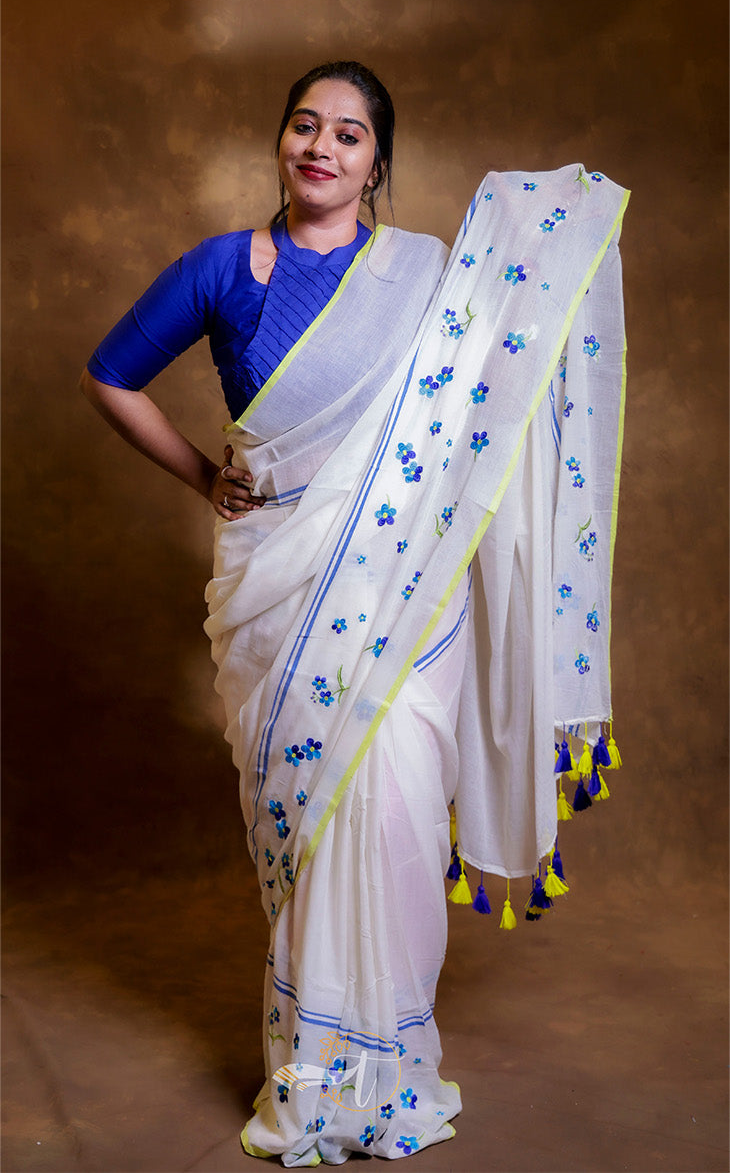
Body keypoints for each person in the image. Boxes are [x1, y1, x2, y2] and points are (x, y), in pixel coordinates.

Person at [81, 61, 629, 1166]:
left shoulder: (425, 276)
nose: (320, 146)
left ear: (378, 163)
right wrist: (205, 476)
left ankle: (394, 1073)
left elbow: (508, 363)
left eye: (348, 134)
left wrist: (556, 226)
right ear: (281, 144)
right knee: (316, 826)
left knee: (390, 815)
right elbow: (110, 374)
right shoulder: (217, 269)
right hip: (278, 584)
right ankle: (315, 1082)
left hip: (404, 595)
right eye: (303, 126)